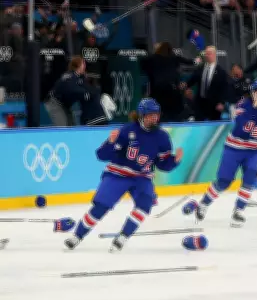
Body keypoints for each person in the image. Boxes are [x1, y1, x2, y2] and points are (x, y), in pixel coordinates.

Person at [64, 98, 183, 251]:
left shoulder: (162, 137)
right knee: (101, 206)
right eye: (150, 115)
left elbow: (162, 164)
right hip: (117, 173)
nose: (154, 118)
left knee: (145, 205)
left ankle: (123, 237)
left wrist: (174, 161)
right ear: (141, 115)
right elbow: (101, 155)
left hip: (142, 177)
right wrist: (110, 142)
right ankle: (77, 236)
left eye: (156, 115)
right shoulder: (127, 131)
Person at [184, 79, 257, 227]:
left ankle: (239, 210)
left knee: (250, 177)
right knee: (224, 181)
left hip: (255, 150)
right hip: (234, 149)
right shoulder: (243, 105)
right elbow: (243, 129)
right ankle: (204, 203)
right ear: (253, 92)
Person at [141, 42, 198, 122]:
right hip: (170, 89)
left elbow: (142, 65)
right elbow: (189, 62)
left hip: (158, 91)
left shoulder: (152, 59)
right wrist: (196, 61)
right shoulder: (173, 58)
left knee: (160, 110)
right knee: (174, 111)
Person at [185, 46, 229, 121]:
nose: (207, 55)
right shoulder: (200, 68)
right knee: (199, 123)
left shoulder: (221, 71)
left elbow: (224, 88)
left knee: (214, 125)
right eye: (206, 53)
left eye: (209, 53)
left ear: (214, 55)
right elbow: (192, 80)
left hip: (214, 105)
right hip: (200, 104)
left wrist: (222, 102)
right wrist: (187, 87)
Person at [44, 56, 90, 126]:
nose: (85, 66)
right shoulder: (69, 76)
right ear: (78, 65)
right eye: (83, 64)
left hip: (64, 105)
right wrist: (85, 92)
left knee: (72, 125)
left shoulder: (79, 77)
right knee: (62, 127)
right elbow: (71, 89)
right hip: (54, 102)